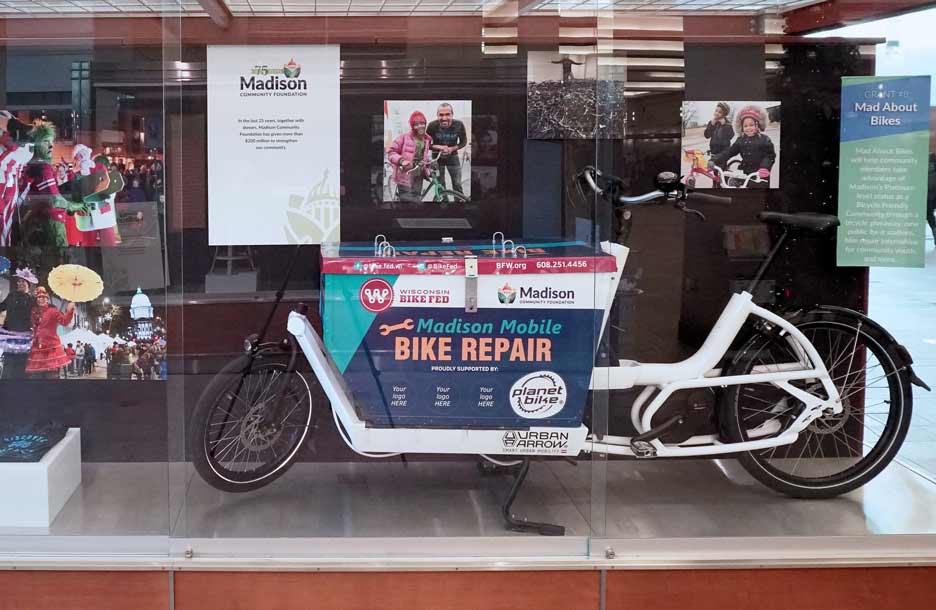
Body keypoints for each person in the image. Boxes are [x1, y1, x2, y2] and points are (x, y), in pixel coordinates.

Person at [19, 122, 87, 247]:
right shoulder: (42, 166)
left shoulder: (32, 164)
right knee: (60, 257)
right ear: (36, 144)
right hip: (48, 221)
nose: (51, 146)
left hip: (32, 221)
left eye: (51, 142)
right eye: (45, 141)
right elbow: (54, 200)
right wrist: (74, 206)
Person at [710, 105, 776, 188]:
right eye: (745, 126)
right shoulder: (741, 140)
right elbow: (729, 152)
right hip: (744, 174)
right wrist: (714, 159)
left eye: (751, 125)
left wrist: (764, 167)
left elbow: (770, 156)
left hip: (759, 175)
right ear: (742, 127)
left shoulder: (764, 140)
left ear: (757, 125)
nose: (748, 128)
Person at [26, 287, 75, 379]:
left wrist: (70, 310)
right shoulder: (33, 311)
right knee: (36, 377)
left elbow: (64, 322)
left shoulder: (53, 311)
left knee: (51, 376)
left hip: (51, 348)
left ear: (47, 299)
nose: (41, 299)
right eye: (39, 297)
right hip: (37, 349)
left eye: (43, 297)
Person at [387, 111, 433, 204]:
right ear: (412, 126)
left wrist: (429, 163)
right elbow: (391, 152)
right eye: (416, 124)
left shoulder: (427, 139)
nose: (420, 126)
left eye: (422, 123)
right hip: (405, 173)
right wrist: (401, 161)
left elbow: (423, 155)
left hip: (419, 173)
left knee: (416, 197)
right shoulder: (404, 137)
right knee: (406, 201)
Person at [0, 267, 37, 379]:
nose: (20, 283)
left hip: (25, 337)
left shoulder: (32, 300)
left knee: (23, 366)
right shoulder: (12, 295)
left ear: (28, 284)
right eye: (19, 281)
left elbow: (40, 315)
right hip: (10, 335)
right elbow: (1, 306)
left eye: (23, 281)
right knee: (8, 366)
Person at [426, 103, 469, 201]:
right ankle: (444, 205)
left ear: (452, 114)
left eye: (447, 114)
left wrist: (452, 149)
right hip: (436, 158)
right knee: (440, 184)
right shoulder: (432, 126)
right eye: (441, 115)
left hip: (453, 157)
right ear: (437, 115)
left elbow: (463, 142)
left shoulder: (459, 124)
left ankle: (459, 205)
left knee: (457, 183)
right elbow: (426, 144)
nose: (444, 118)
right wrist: (439, 147)